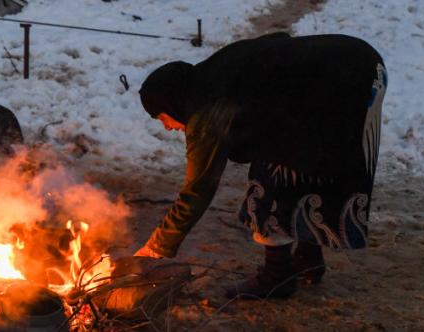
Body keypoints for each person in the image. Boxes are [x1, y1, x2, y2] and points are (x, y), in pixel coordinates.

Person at [134, 32, 387, 299]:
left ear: (171, 104)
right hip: (361, 63)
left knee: (273, 179)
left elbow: (199, 188)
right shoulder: (213, 73)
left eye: (162, 118)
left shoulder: (207, 108)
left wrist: (157, 247)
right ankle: (307, 261)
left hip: (340, 78)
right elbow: (279, 40)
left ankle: (276, 277)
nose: (168, 127)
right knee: (313, 166)